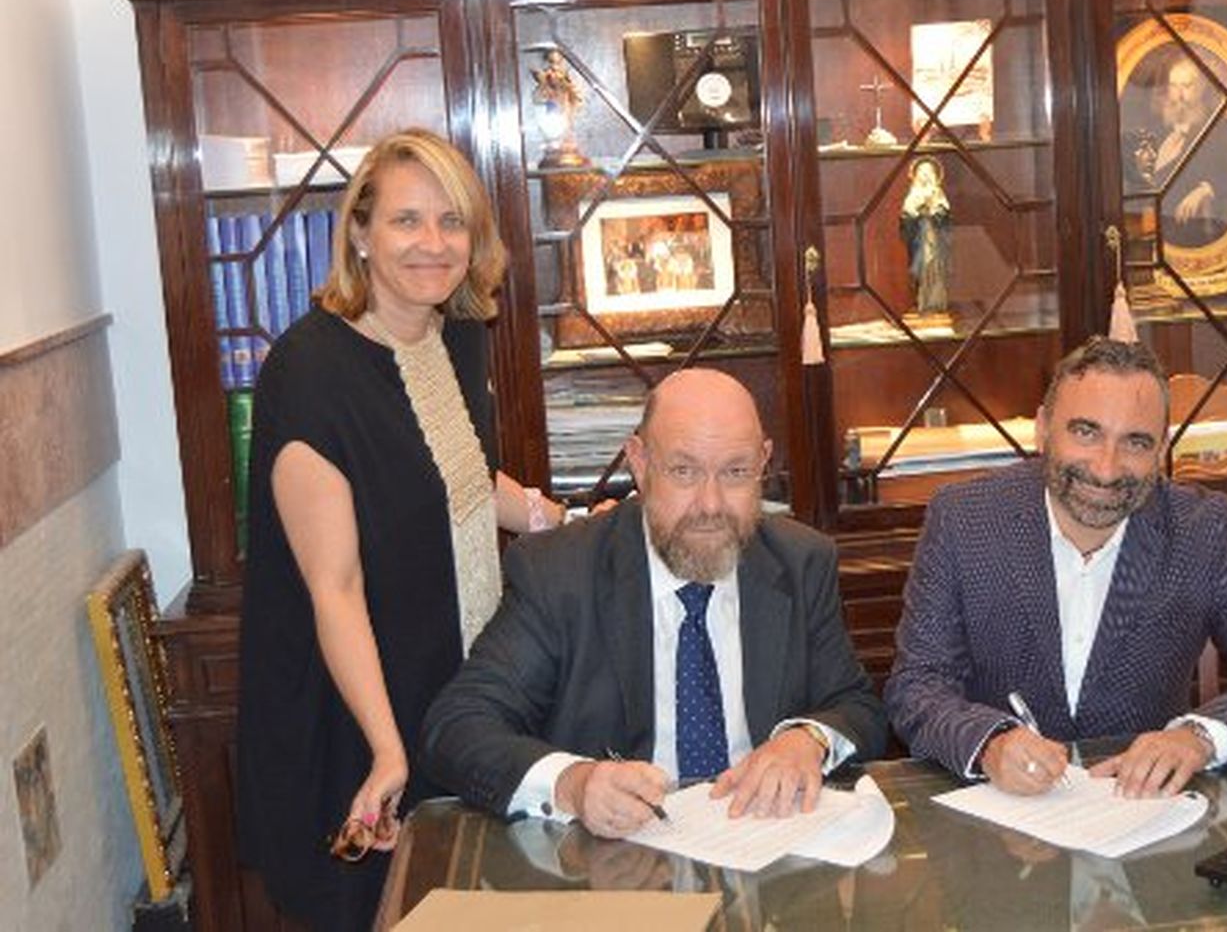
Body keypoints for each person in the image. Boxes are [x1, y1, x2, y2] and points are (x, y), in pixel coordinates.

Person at [235, 128, 564, 931]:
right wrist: (389, 749)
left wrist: (561, 523)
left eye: (452, 222)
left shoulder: (456, 334)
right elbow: (335, 587)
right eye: (406, 220)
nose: (433, 243)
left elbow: (458, 472)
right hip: (352, 707)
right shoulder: (309, 372)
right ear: (359, 232)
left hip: (448, 680)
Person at [422, 368, 888, 836]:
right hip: (613, 859)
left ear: (763, 462)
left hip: (762, 843)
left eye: (735, 472)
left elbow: (857, 705)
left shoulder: (800, 562)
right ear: (640, 463)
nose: (710, 505)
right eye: (684, 471)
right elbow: (458, 725)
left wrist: (807, 739)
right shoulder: (560, 573)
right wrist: (573, 784)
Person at [884, 336, 1227, 799]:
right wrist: (989, 744)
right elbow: (917, 684)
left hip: (1142, 812)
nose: (1106, 469)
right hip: (1002, 815)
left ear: (1162, 450)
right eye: (1085, 432)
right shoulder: (965, 519)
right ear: (1043, 429)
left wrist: (1199, 737)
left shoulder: (1200, 529)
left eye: (1135, 442)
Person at [1145, 57, 1227, 247]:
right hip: (1158, 240)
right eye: (1173, 86)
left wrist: (1207, 190)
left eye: (1186, 86)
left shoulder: (1220, 129)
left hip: (1199, 240)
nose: (1178, 96)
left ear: (1201, 89)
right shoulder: (1157, 132)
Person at [900, 156, 953, 315]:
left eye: (928, 172)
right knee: (922, 269)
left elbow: (944, 215)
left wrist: (933, 209)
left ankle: (936, 303)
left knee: (936, 268)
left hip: (935, 238)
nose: (925, 175)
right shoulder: (913, 194)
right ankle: (923, 303)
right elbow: (906, 217)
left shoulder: (938, 193)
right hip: (919, 239)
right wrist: (917, 210)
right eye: (922, 172)